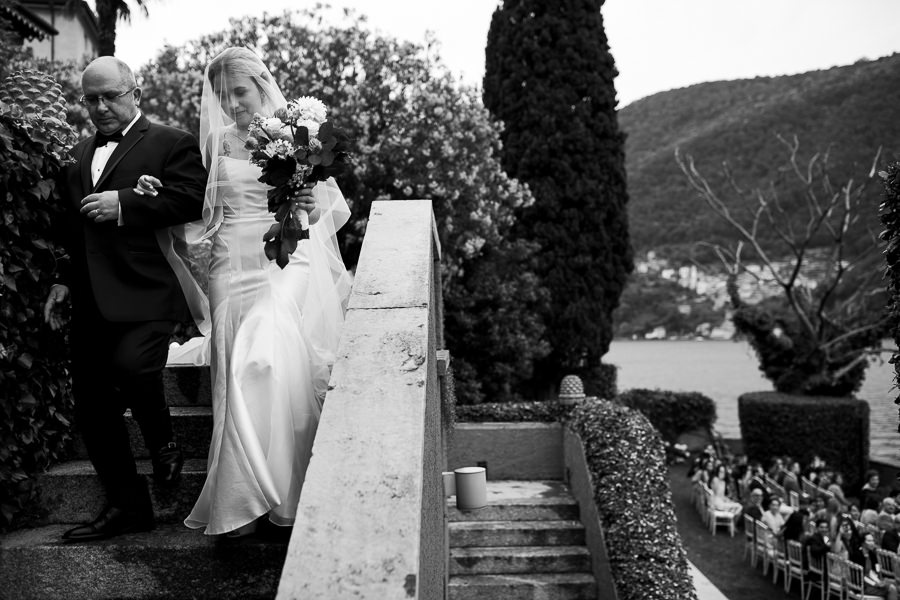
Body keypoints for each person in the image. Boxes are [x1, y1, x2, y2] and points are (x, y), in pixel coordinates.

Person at [151, 47, 351, 537]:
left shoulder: (299, 134)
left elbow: (329, 211)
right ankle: (241, 495)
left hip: (284, 259)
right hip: (227, 266)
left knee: (258, 355)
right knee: (239, 363)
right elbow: (197, 205)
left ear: (261, 84)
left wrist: (306, 200)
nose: (232, 104)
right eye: (223, 95)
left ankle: (269, 489)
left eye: (239, 92)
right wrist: (158, 194)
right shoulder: (215, 144)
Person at [42, 56, 207, 541]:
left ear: (135, 93)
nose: (100, 106)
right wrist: (62, 280)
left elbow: (194, 199)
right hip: (91, 299)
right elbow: (71, 229)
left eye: (110, 95)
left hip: (148, 290)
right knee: (93, 408)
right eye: (91, 98)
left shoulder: (171, 142)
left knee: (134, 367)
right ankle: (127, 506)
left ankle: (163, 443)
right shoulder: (75, 154)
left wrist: (127, 204)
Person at [849, 532, 898, 599]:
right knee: (892, 589)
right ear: (863, 542)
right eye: (869, 541)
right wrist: (875, 584)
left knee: (894, 586)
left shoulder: (872, 554)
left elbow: (873, 571)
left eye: (873, 541)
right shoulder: (857, 555)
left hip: (873, 582)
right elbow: (861, 576)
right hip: (862, 586)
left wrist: (879, 581)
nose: (872, 543)